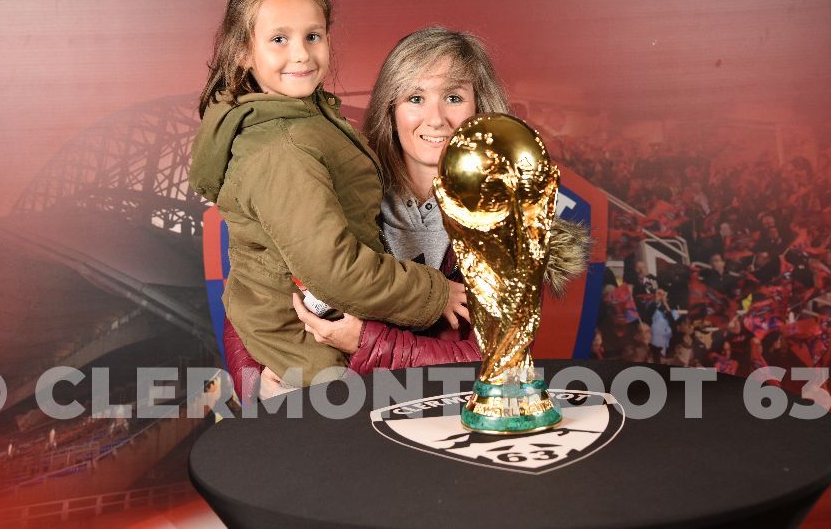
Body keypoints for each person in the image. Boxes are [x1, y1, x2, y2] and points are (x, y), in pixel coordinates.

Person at [232, 26, 589, 400]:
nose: (435, 119)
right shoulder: (336, 193)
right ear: (391, 108)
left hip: (444, 423)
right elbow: (254, 290)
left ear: (480, 107)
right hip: (339, 424)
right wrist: (254, 383)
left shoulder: (508, 222)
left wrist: (363, 341)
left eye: (453, 97)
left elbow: (487, 359)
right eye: (415, 98)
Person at [189, 0, 469, 391]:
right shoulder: (285, 146)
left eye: (312, 36)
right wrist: (435, 293)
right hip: (312, 362)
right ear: (243, 51)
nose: (300, 53)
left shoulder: (310, 121)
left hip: (355, 365)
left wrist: (364, 339)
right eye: (279, 39)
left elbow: (488, 357)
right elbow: (331, 270)